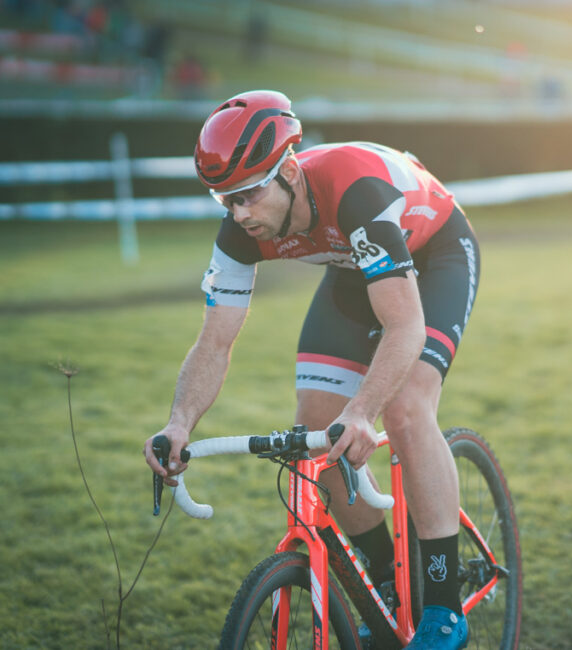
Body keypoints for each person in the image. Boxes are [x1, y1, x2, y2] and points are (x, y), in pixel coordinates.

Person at [143, 90, 477, 649]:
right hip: (351, 269)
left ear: (290, 171)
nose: (239, 213)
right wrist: (178, 423)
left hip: (435, 251)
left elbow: (405, 328)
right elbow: (214, 341)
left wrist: (364, 409)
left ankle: (443, 610)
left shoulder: (355, 193)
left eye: (248, 195)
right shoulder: (240, 231)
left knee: (404, 407)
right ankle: (390, 589)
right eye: (224, 200)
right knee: (318, 431)